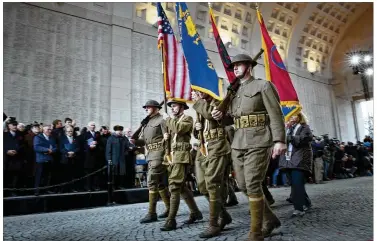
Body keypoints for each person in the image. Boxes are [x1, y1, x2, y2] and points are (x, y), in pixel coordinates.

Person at [211, 54, 286, 240]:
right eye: (233, 66)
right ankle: (270, 220)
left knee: (253, 183)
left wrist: (279, 140)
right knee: (243, 184)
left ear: (249, 66)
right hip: (239, 141)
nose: (235, 68)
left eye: (239, 65)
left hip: (260, 139)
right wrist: (220, 115)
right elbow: (233, 119)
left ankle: (256, 232)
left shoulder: (263, 86)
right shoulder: (233, 92)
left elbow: (276, 114)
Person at [192, 90, 232, 238]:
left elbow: (211, 114)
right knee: (202, 186)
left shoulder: (219, 102)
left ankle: (213, 224)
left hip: (218, 145)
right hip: (204, 147)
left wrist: (198, 102)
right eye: (196, 90)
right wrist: (196, 130)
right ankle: (224, 215)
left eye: (200, 89)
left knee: (212, 183)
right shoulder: (201, 105)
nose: (197, 92)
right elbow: (199, 131)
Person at [160, 100, 203, 232]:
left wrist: (167, 119)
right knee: (182, 187)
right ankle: (195, 213)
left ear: (182, 107)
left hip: (181, 155)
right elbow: (168, 141)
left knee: (174, 186)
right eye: (171, 107)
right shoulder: (173, 121)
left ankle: (171, 220)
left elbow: (179, 128)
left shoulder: (187, 119)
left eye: (174, 106)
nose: (172, 109)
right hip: (171, 157)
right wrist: (165, 138)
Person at [131, 100, 170, 223]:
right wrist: (135, 141)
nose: (146, 108)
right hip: (150, 154)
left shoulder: (162, 120)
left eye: (149, 107)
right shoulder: (147, 123)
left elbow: (167, 138)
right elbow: (145, 141)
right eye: (146, 107)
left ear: (156, 108)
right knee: (159, 184)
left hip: (159, 154)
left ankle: (151, 213)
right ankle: (169, 208)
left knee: (151, 182)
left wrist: (166, 154)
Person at [279, 112, 313, 217]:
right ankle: (306, 202)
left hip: (300, 158)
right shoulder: (287, 128)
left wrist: (289, 136)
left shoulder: (304, 127)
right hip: (288, 159)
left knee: (297, 182)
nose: (292, 118)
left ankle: (298, 208)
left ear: (299, 117)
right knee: (295, 183)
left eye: (294, 115)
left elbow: (302, 140)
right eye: (290, 116)